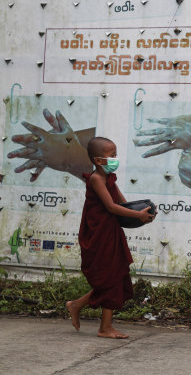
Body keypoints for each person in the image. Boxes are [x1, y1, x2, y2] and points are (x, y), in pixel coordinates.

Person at [66, 137, 154, 339]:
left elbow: (123, 206)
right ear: (98, 160)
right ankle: (104, 328)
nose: (116, 159)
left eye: (116, 154)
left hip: (111, 233)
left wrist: (142, 214)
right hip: (99, 236)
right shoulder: (97, 179)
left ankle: (76, 305)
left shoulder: (109, 178)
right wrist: (138, 215)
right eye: (112, 155)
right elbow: (111, 207)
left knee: (116, 277)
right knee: (111, 279)